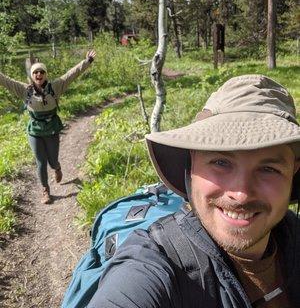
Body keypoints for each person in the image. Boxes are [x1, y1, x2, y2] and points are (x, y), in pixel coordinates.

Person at [87, 74, 300, 308]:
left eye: (268, 168)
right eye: (221, 162)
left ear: (293, 171)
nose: (241, 194)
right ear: (191, 166)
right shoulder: (153, 264)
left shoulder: (293, 236)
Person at [0, 50, 96, 204]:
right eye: (35, 72)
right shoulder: (24, 90)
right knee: (40, 161)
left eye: (41, 72)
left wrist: (87, 61)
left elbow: (71, 74)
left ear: (45, 74)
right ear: (32, 75)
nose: (39, 74)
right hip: (35, 130)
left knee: (52, 160)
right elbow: (6, 81)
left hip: (51, 128)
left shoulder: (55, 87)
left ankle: (57, 168)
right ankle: (45, 190)